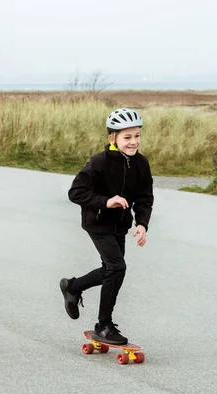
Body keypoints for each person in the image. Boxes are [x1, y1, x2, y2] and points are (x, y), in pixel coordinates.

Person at [60, 107, 154, 345]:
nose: (134, 142)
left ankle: (73, 286)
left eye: (137, 136)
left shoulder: (141, 164)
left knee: (110, 270)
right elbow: (76, 192)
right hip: (97, 222)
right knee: (117, 267)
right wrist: (106, 201)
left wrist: (142, 224)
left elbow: (144, 198)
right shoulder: (99, 163)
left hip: (119, 226)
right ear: (112, 138)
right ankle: (103, 326)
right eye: (127, 137)